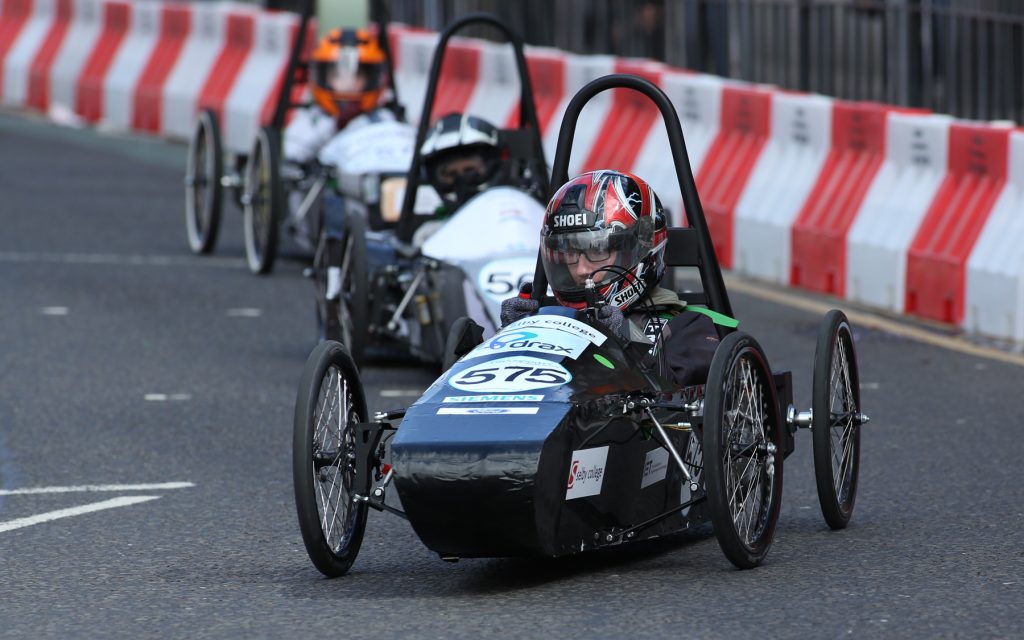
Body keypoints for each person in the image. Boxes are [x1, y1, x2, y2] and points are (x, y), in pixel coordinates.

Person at [500, 169, 721, 388]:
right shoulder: (548, 320)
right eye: (570, 253)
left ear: (640, 248)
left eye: (597, 250)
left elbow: (671, 392)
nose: (581, 270)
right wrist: (510, 340)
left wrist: (624, 337)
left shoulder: (687, 327)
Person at [284, 27, 395, 164]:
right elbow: (293, 152)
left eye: (356, 76)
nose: (348, 84)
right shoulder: (313, 119)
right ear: (324, 77)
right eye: (338, 75)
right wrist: (336, 126)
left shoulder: (383, 118)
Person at [411, 112, 506, 246]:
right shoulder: (430, 235)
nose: (462, 180)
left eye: (470, 170)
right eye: (450, 174)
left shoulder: (521, 213)